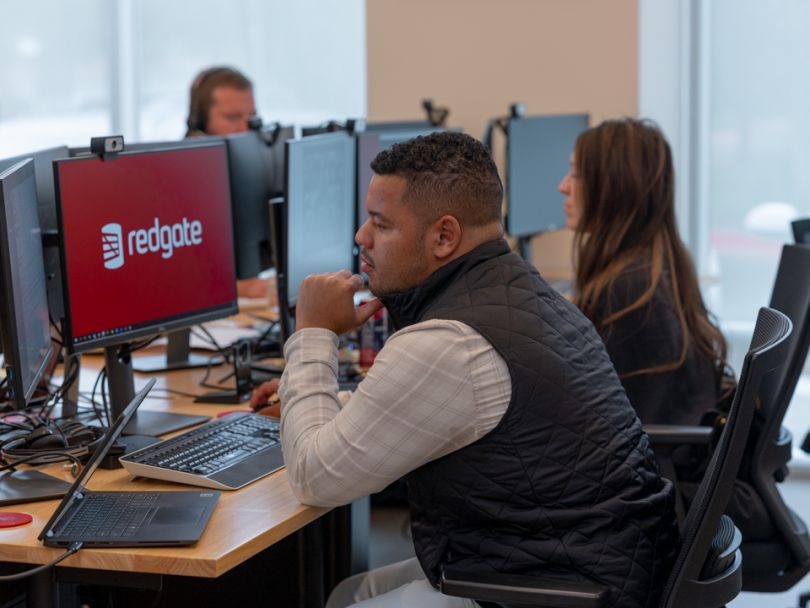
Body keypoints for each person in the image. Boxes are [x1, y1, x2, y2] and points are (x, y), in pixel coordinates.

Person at [252, 132, 677, 608]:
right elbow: (443, 402)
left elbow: (314, 479)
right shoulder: (524, 292)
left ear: (444, 236)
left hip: (563, 586)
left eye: (380, 223)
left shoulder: (450, 340)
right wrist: (315, 396)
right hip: (600, 564)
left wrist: (312, 333)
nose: (361, 238)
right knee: (353, 592)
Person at [558, 118, 729, 426]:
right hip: (676, 456)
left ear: (612, 188)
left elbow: (599, 422)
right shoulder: (657, 268)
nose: (563, 186)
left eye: (577, 174)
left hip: (651, 465)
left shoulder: (627, 291)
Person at [185, 66, 268, 299]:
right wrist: (239, 288)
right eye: (232, 118)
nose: (245, 129)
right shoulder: (177, 184)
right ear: (198, 120)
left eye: (250, 118)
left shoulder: (251, 171)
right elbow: (176, 276)